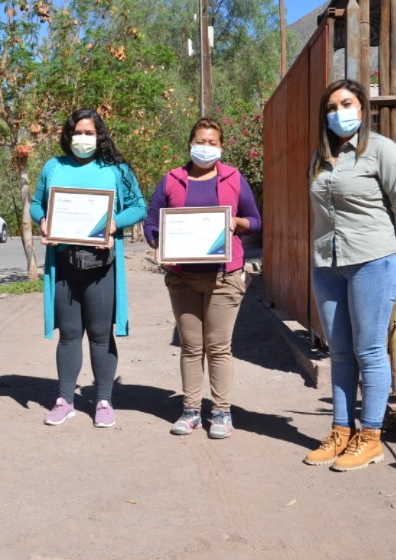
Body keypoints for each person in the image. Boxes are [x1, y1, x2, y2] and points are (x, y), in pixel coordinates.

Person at [304, 79, 396, 470]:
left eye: (347, 103)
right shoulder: (320, 157)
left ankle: (370, 436)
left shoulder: (381, 150)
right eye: (332, 107)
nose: (339, 112)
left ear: (363, 107)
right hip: (328, 264)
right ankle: (341, 430)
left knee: (369, 350)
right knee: (338, 351)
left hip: (373, 259)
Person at [144, 117, 262, 439]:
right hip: (182, 278)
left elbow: (256, 220)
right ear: (190, 143)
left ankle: (222, 413)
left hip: (225, 277)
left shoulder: (235, 179)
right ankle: (191, 411)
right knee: (191, 347)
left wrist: (237, 222)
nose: (205, 148)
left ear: (221, 147)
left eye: (212, 143)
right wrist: (158, 245)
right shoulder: (171, 180)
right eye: (200, 141)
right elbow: (151, 223)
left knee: (219, 346)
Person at [30, 108, 147, 428]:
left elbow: (139, 206)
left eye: (89, 133)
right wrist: (42, 219)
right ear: (69, 135)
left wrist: (113, 223)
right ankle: (65, 399)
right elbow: (36, 203)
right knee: (68, 335)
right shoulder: (53, 167)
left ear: (100, 135)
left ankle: (104, 400)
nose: (83, 139)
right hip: (65, 265)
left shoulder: (116, 169)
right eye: (78, 133)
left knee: (99, 334)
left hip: (101, 266)